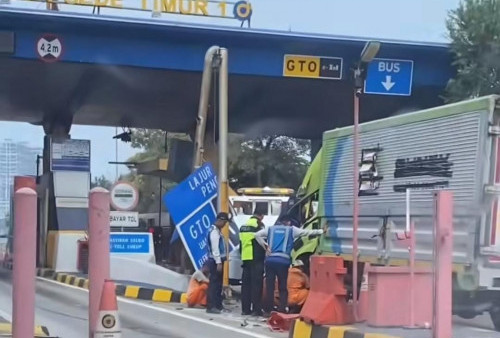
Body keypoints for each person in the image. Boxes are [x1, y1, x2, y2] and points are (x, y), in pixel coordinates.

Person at [255, 215, 325, 314]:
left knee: (270, 287)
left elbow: (256, 235)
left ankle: (268, 310)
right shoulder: (292, 230)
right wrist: (321, 231)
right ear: (288, 222)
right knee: (283, 287)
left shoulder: (270, 229)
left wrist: (265, 246)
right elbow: (307, 232)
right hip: (283, 262)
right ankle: (282, 309)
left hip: (270, 261)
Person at [239, 210, 266, 316]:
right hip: (256, 258)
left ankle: (245, 309)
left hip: (245, 258)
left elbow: (241, 243)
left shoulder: (243, 226)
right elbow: (262, 241)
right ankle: (256, 309)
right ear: (261, 215)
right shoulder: (259, 225)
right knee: (256, 285)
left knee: (245, 286)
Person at [206, 212, 230, 314]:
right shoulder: (214, 232)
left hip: (218, 260)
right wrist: (219, 262)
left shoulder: (217, 231)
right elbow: (215, 248)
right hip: (215, 261)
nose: (225, 225)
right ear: (220, 221)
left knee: (218, 284)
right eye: (224, 222)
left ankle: (218, 305)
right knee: (214, 284)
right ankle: (211, 306)